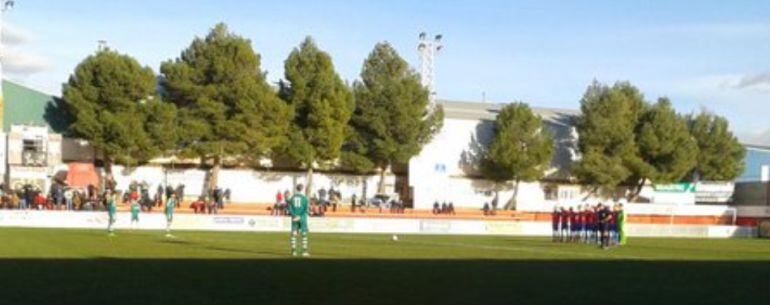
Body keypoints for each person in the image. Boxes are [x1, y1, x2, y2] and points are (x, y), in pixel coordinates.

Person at [287, 184, 310, 257]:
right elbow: (306, 210)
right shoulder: (305, 198)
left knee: (293, 234)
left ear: (296, 189)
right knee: (304, 234)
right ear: (302, 189)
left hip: (294, 218)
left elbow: (289, 209)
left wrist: (294, 216)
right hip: (302, 218)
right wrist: (300, 216)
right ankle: (304, 252)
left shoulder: (292, 198)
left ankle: (293, 252)